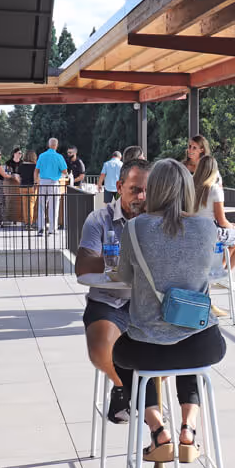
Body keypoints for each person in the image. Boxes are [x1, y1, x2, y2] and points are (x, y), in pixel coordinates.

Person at [113, 159, 235, 462]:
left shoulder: (135, 228)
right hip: (203, 345)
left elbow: (125, 277)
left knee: (120, 355)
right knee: (188, 344)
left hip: (146, 349)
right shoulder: (206, 228)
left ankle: (158, 430)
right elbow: (209, 271)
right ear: (188, 190)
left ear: (154, 189)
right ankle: (188, 430)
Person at [75, 158, 150, 423]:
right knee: (100, 351)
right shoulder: (99, 219)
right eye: (135, 190)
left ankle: (147, 404)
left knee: (172, 351)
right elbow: (83, 265)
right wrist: (120, 260)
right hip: (109, 300)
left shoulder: (157, 221)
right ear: (119, 187)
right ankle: (123, 387)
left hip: (147, 302)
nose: (142, 197)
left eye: (147, 191)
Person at [193, 155, 235, 281]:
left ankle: (219, 271)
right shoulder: (214, 189)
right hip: (212, 234)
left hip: (195, 232)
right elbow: (221, 221)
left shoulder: (190, 188)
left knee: (232, 237)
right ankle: (223, 275)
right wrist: (232, 226)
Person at [35, 138, 68, 236]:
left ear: (49, 145)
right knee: (53, 206)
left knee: (41, 206)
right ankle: (52, 229)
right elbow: (65, 171)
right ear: (56, 145)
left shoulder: (42, 156)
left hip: (42, 182)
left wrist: (36, 182)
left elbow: (36, 170)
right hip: (53, 182)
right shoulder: (59, 157)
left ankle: (41, 229)